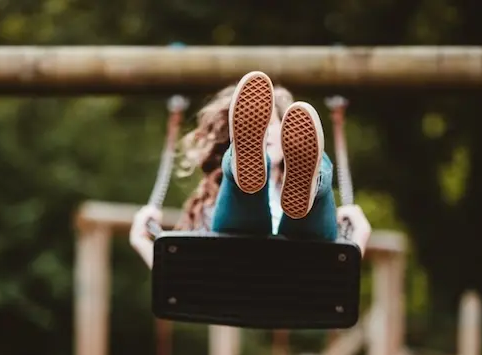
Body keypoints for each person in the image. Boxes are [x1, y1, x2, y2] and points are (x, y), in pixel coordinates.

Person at [130, 71, 371, 268]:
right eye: (256, 128)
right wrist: (359, 236)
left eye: (270, 124)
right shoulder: (209, 204)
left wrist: (142, 240)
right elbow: (338, 279)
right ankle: (242, 171)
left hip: (269, 270)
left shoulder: (209, 206)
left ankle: (311, 183)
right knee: (241, 201)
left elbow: (179, 283)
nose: (264, 132)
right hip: (294, 276)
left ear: (289, 131)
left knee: (308, 209)